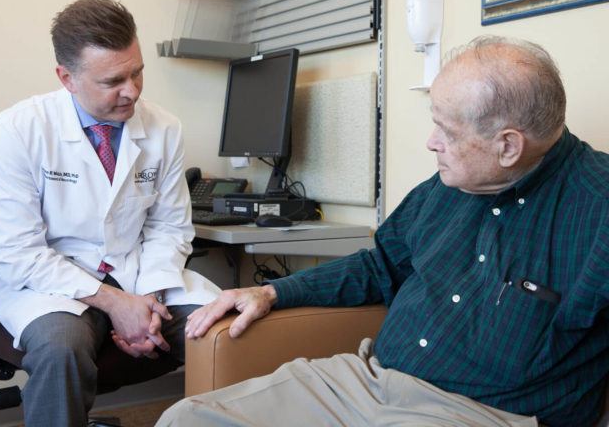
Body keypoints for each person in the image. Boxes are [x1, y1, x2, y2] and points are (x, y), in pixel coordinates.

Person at [158, 36, 609, 427]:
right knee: (187, 418)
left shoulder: (597, 209)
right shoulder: (447, 187)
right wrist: (274, 293)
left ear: (508, 145)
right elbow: (379, 265)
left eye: (445, 130)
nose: (431, 142)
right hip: (367, 380)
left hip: (480, 413)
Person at [0, 0, 220, 426]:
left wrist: (144, 301)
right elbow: (15, 250)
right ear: (67, 78)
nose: (132, 90)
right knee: (60, 351)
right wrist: (115, 304)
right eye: (113, 80)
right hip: (49, 286)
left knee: (223, 327)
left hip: (137, 274)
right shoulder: (21, 129)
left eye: (138, 72)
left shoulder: (164, 128)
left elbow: (170, 228)